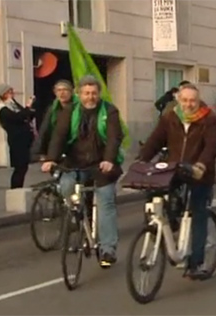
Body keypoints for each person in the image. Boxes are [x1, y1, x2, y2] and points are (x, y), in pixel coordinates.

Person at [138, 83, 216, 280]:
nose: (188, 104)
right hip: (173, 170)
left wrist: (201, 165)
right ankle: (169, 232)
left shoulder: (209, 119)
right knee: (158, 200)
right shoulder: (170, 117)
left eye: (192, 100)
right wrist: (141, 161)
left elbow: (211, 146)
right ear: (178, 100)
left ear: (198, 101)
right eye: (184, 100)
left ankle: (196, 262)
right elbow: (155, 140)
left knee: (197, 212)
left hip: (199, 173)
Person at [40, 75, 123, 267]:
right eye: (86, 93)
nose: (90, 97)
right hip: (75, 162)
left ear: (99, 94)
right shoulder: (70, 111)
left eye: (94, 93)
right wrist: (51, 159)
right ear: (79, 94)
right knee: (65, 186)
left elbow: (113, 137)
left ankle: (108, 248)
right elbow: (59, 136)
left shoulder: (109, 111)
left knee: (106, 201)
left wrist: (109, 160)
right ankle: (77, 218)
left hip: (101, 165)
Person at [0, 83, 36, 189]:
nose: (12, 94)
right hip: (16, 140)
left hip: (24, 139)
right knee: (20, 166)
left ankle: (19, 187)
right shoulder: (3, 109)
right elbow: (17, 118)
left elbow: (25, 115)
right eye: (9, 92)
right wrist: (28, 107)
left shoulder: (13, 104)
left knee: (23, 166)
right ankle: (15, 188)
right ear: (3, 94)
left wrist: (30, 110)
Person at [33, 80, 74, 160]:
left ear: (71, 92)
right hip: (56, 149)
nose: (62, 93)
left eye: (65, 90)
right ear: (55, 93)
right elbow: (44, 130)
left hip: (73, 150)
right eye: (59, 90)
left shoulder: (78, 108)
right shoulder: (52, 109)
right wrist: (36, 152)